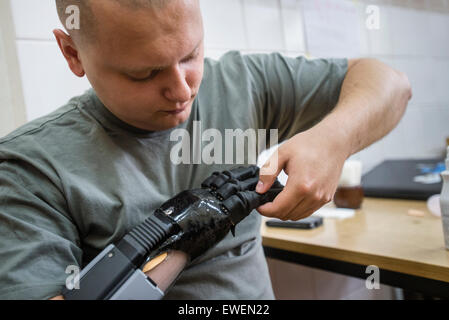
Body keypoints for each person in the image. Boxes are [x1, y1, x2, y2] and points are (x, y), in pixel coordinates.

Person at [0, 0, 412, 300]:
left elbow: (390, 84)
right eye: (144, 73)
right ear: (73, 53)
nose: (182, 90)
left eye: (191, 54)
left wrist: (332, 140)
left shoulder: (242, 81)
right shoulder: (27, 167)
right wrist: (183, 233)